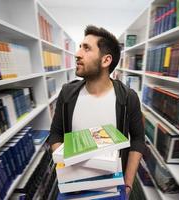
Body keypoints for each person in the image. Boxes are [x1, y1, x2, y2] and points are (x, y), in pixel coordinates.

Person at [48, 25, 145, 196]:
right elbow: (56, 134)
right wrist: (65, 166)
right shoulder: (67, 93)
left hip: (112, 188)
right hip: (72, 187)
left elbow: (137, 140)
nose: (77, 54)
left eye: (86, 48)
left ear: (106, 60)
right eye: (80, 47)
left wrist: (128, 184)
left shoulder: (128, 98)